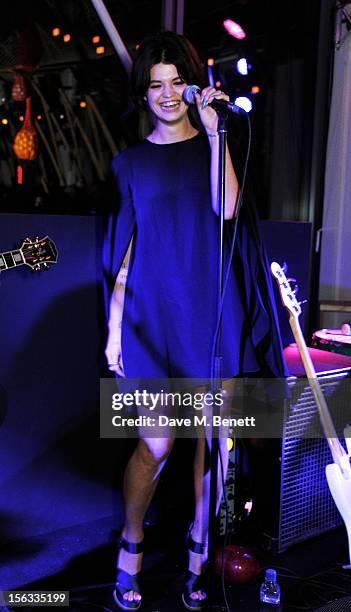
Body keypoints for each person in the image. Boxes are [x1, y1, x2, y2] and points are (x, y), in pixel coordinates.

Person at [103, 31, 287, 611]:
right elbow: (124, 256)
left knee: (216, 446)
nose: (166, 94)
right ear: (143, 93)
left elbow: (226, 208)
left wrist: (213, 135)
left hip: (213, 317)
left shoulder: (215, 144)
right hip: (153, 324)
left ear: (193, 82)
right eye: (154, 85)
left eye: (175, 80)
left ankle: (199, 553)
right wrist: (113, 331)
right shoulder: (129, 164)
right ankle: (131, 543)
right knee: (155, 446)